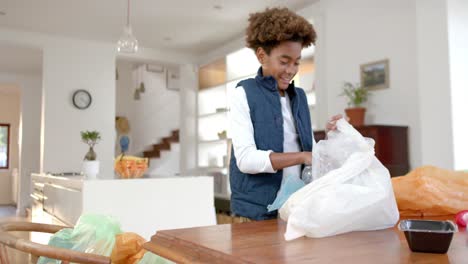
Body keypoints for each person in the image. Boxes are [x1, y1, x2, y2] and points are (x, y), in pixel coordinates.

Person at [229, 7, 342, 222]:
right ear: (262, 55)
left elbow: (308, 151)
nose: (291, 70)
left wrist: (329, 135)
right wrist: (300, 157)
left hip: (294, 207)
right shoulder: (244, 93)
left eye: (297, 61)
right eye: (284, 61)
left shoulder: (299, 96)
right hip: (255, 212)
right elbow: (245, 160)